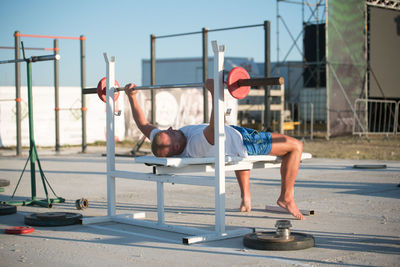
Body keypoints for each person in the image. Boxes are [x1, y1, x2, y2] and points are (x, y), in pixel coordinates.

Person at [124, 79, 305, 220]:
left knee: (235, 150)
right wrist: (214, 92)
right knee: (296, 146)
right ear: (177, 147)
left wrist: (131, 97)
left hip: (234, 141)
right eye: (170, 133)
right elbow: (215, 124)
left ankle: (246, 198)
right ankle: (286, 197)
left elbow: (143, 125)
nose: (170, 128)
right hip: (247, 142)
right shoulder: (196, 144)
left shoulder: (165, 141)